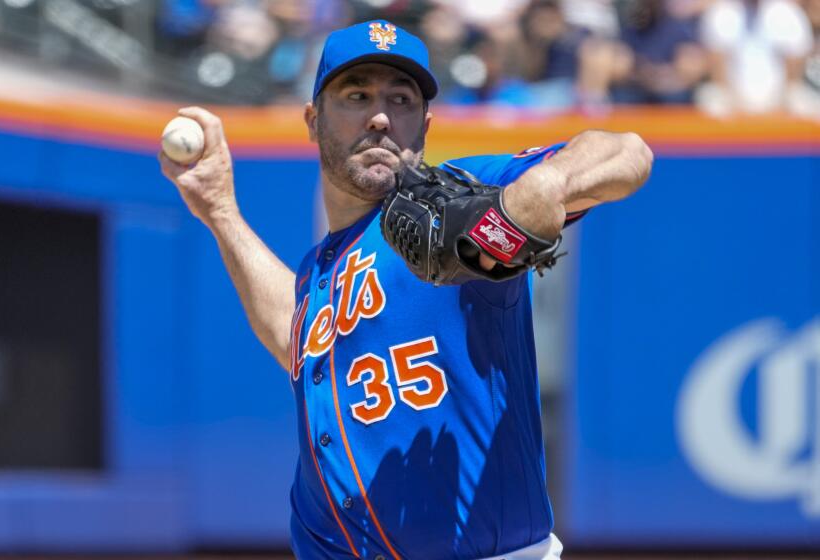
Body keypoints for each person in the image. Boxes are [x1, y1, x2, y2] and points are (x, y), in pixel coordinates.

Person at [159, 19, 652, 560]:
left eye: (401, 99)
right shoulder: (318, 268)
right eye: (356, 95)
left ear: (424, 125)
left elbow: (626, 152)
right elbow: (294, 335)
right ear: (312, 119)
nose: (379, 116)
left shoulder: (457, 203)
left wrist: (541, 190)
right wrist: (220, 211)